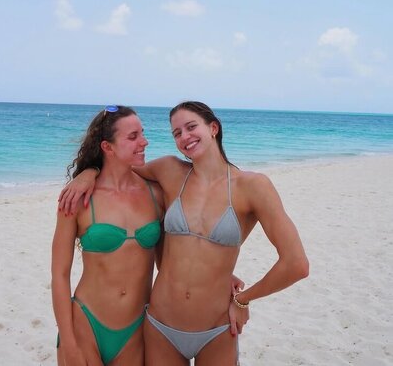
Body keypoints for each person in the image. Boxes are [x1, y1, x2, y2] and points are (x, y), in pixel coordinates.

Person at [59, 101, 309, 365]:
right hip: (161, 325)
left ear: (213, 128)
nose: (184, 137)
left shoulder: (252, 186)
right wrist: (89, 173)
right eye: (177, 133)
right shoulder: (169, 171)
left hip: (217, 327)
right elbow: (119, 165)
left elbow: (296, 264)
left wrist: (244, 301)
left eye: (191, 127)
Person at [51, 105, 164, 366]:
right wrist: (69, 343)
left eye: (142, 133)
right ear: (107, 147)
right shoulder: (77, 199)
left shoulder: (156, 194)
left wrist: (221, 274)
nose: (144, 142)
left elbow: (173, 259)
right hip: (85, 324)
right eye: (133, 136)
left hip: (136, 329)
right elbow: (59, 275)